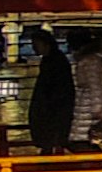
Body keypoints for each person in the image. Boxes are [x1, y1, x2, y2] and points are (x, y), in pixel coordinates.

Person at [25, 25, 76, 153]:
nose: (34, 47)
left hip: (52, 110)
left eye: (36, 44)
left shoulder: (54, 62)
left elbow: (58, 89)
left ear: (46, 44)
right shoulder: (53, 60)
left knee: (51, 142)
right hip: (52, 109)